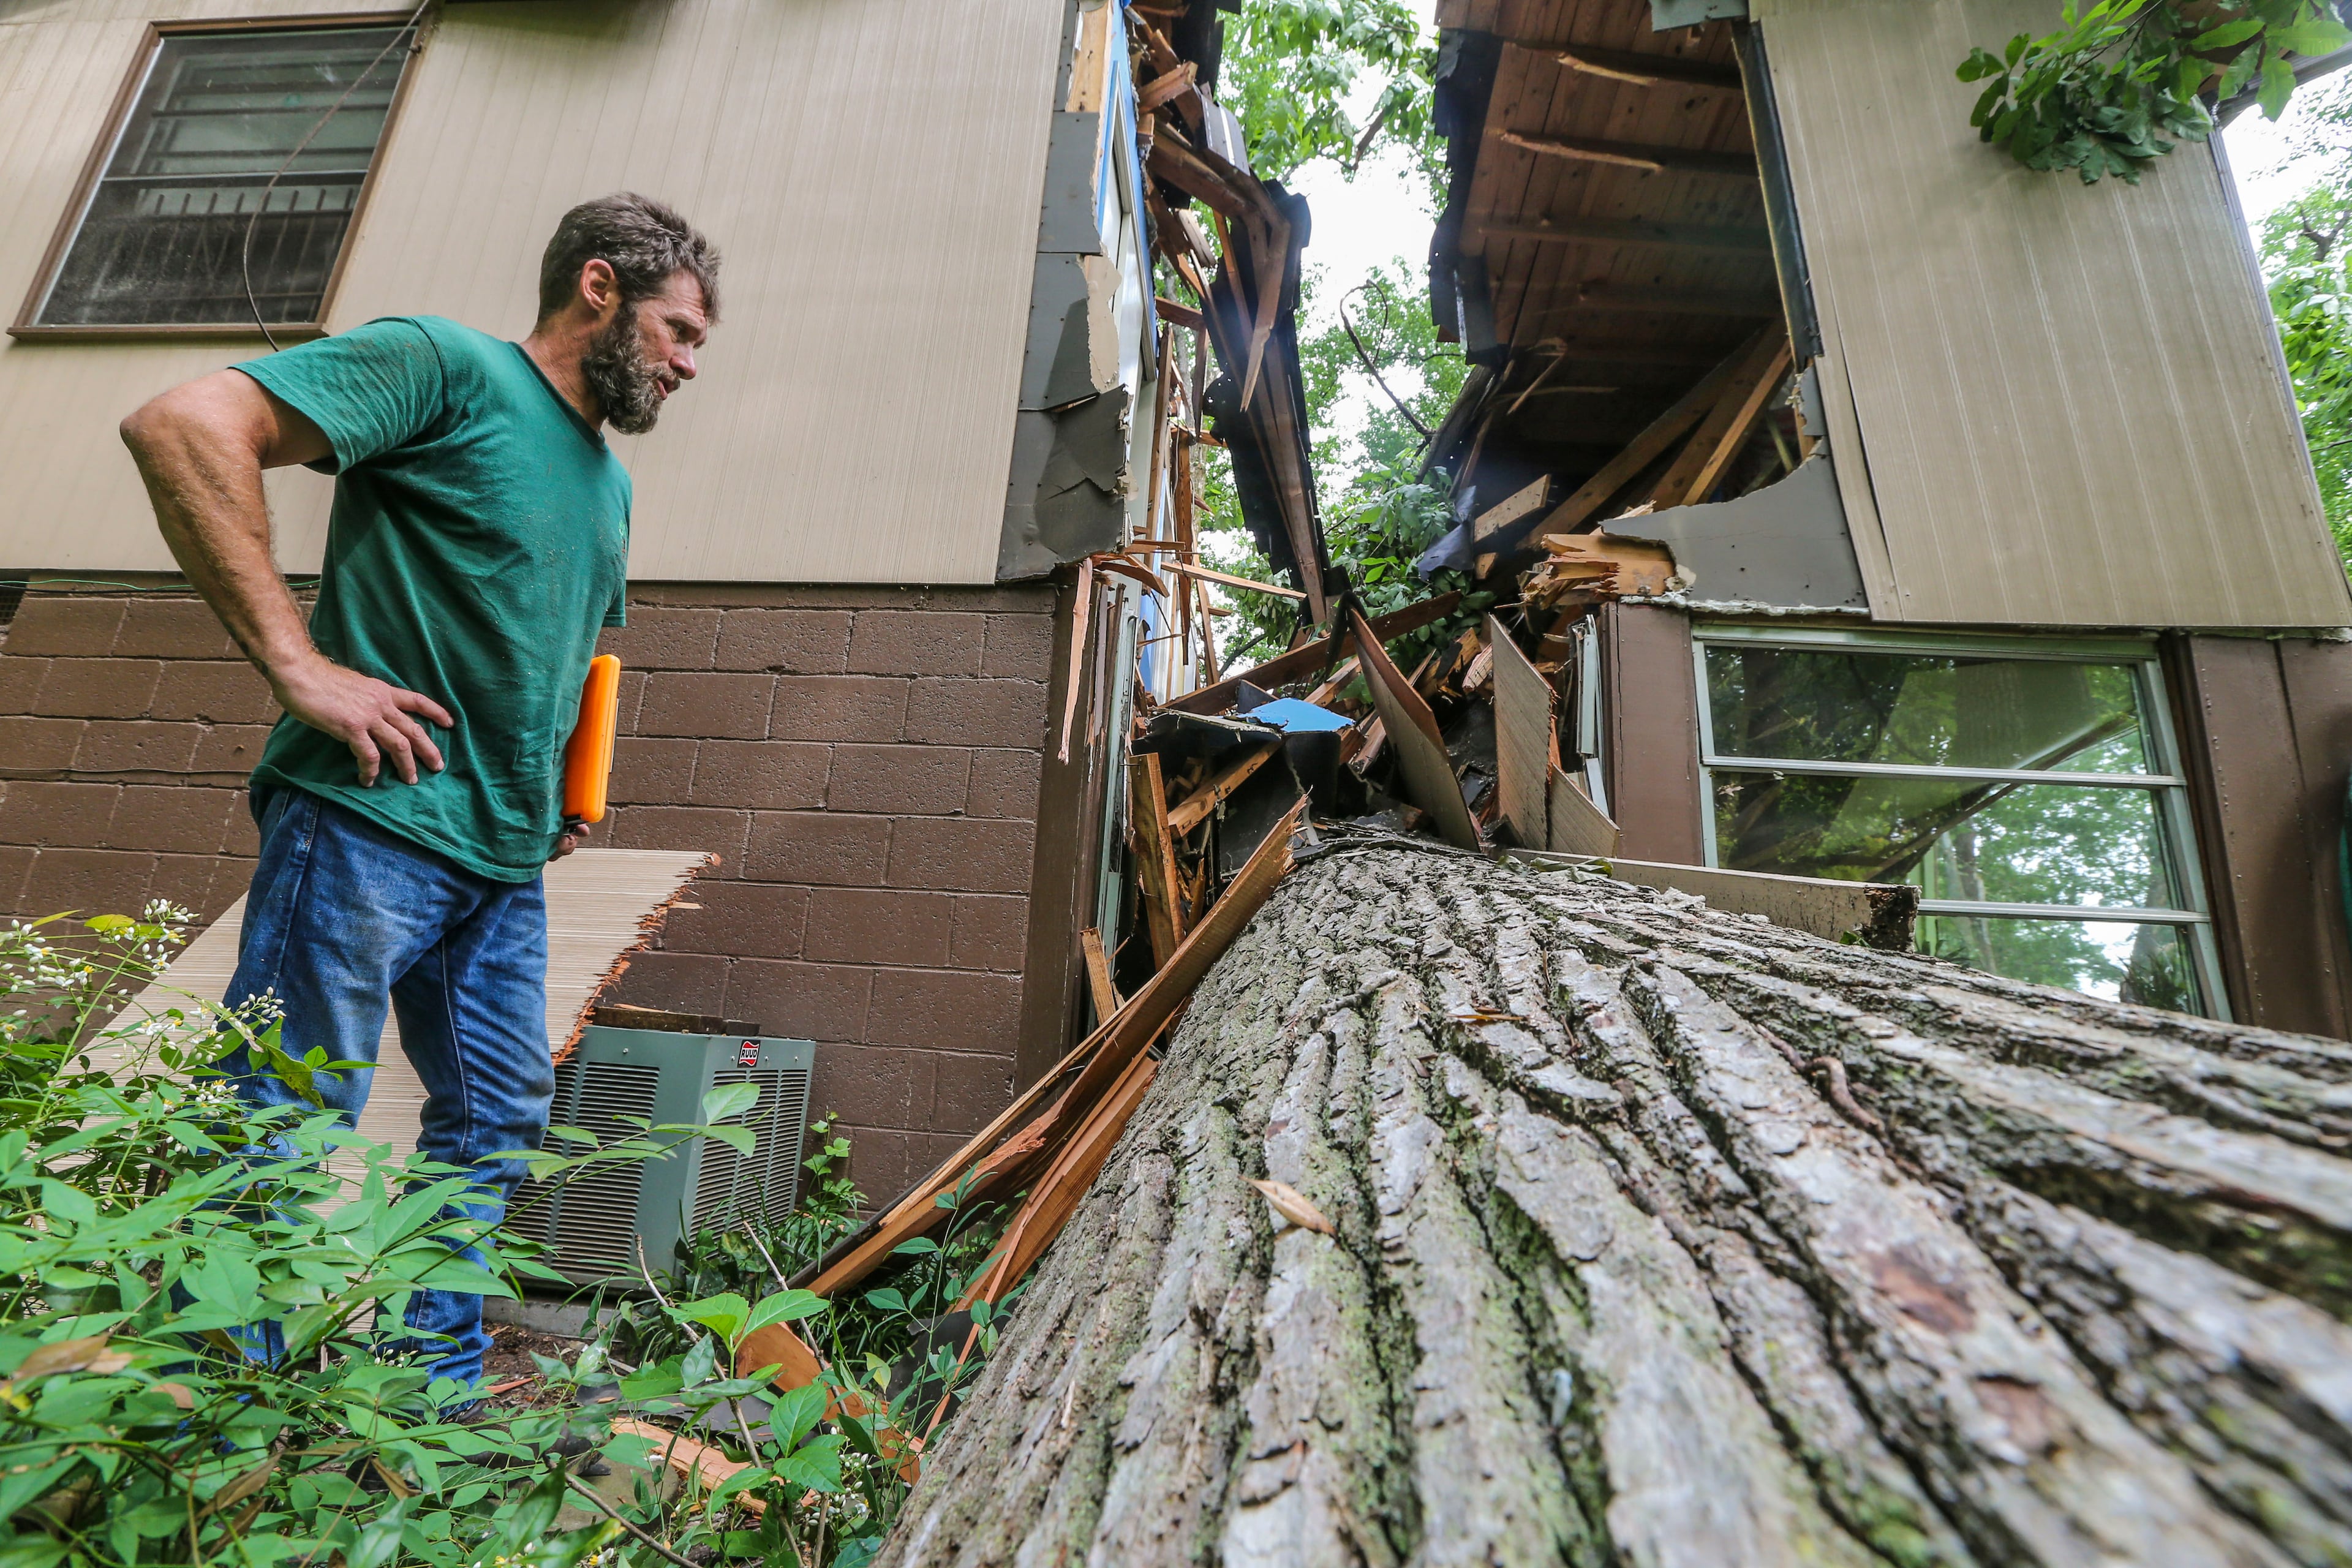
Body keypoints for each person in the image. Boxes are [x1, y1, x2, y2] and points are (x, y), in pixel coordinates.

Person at [118, 192, 719, 1400]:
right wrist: (299, 665)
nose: (690, 364)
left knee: (495, 1119)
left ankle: (424, 1401)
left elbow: (570, 649)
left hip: (501, 867)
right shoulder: (447, 368)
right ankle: (213, 1430)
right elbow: (183, 425)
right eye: (681, 330)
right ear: (599, 288)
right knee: (283, 1120)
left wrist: (567, 783)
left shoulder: (608, 486)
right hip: (366, 824)